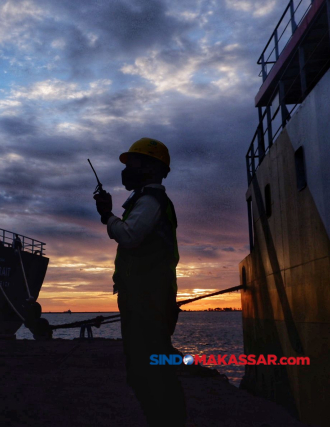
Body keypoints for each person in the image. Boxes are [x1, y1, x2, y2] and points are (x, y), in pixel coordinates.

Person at [93, 137, 187, 427]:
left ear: (151, 168)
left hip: (148, 300)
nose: (127, 170)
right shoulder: (148, 201)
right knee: (150, 367)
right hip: (149, 298)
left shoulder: (149, 200)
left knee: (147, 370)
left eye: (133, 163)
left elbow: (130, 236)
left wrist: (107, 215)